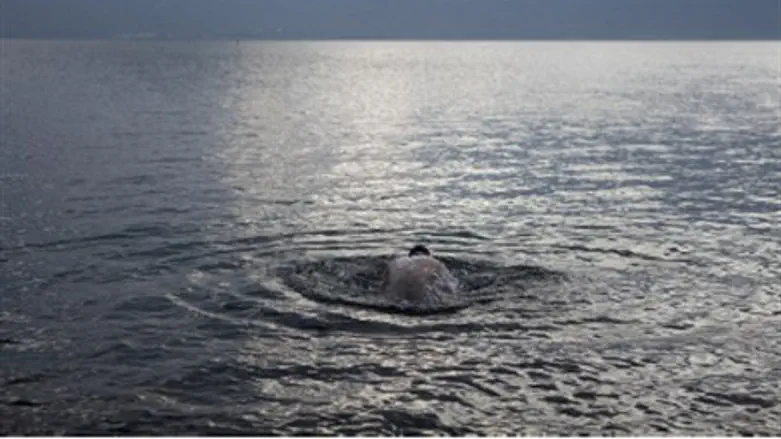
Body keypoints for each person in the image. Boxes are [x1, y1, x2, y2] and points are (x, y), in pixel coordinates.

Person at [379, 245, 458, 304]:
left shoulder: (396, 262)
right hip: (424, 297)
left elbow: (383, 287)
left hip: (397, 295)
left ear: (409, 256)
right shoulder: (435, 262)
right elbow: (451, 287)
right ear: (428, 256)